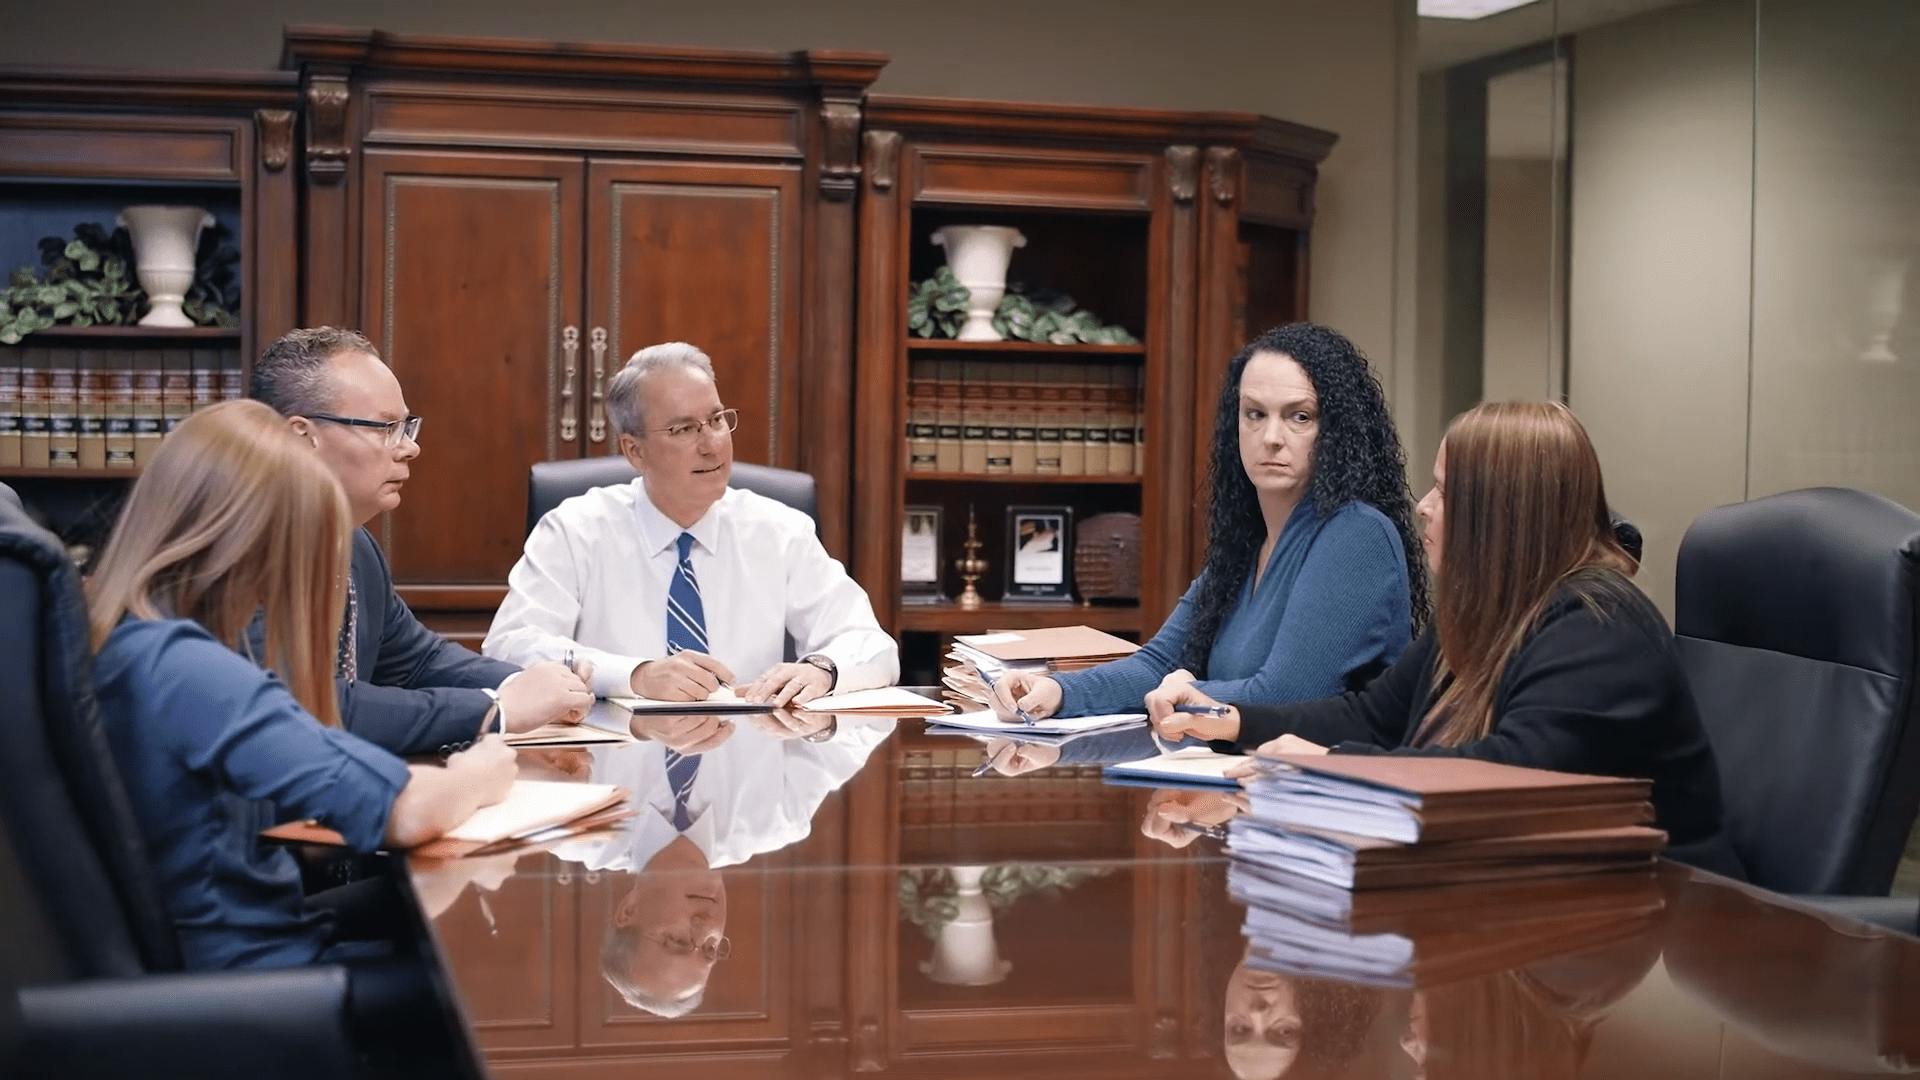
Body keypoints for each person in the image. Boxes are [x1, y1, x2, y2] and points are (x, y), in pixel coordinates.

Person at [1154, 401, 1737, 873]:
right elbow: (1372, 716)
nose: (1422, 508)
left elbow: (1510, 775)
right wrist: (1231, 720)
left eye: (1444, 493)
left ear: (1500, 516)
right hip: (1523, 888)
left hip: (1668, 913)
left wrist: (1333, 765)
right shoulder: (1490, 611)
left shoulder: (1597, 627)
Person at [86, 400, 519, 970]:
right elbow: (409, 811)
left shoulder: (127, 638)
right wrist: (480, 774)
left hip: (225, 945)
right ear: (256, 541)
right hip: (254, 983)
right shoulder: (189, 672)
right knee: (492, 955)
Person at [990, 323, 1425, 723]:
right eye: (1255, 414)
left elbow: (1287, 694)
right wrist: (1056, 691)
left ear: (1338, 431)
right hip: (1237, 786)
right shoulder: (1248, 541)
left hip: (1324, 797)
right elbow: (1158, 664)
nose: (1271, 437)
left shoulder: (1356, 534)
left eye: (1300, 417)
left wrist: (1188, 691)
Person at [483, 341, 899, 707]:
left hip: (750, 767)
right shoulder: (574, 530)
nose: (711, 444)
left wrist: (823, 669)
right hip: (610, 767)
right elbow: (510, 645)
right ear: (635, 451)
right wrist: (636, 676)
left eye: (717, 420)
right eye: (683, 429)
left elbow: (873, 646)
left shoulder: (780, 530)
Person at [251, 326, 592, 755]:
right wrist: (497, 708)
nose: (409, 449)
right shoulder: (245, 551)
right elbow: (316, 707)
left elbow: (417, 661)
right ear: (302, 437)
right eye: (384, 428)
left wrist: (527, 684)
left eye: (406, 426)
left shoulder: (355, 546)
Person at [545, 713, 895, 1016]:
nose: (705, 927)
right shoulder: (774, 820)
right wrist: (815, 712)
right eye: (711, 948)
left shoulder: (577, 823)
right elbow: (873, 723)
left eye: (678, 940)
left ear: (628, 910)